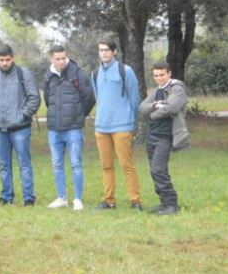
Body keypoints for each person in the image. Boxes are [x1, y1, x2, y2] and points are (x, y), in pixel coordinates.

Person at [0, 45, 40, 206]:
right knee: (3, 164)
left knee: (24, 163)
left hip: (20, 129)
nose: (4, 63)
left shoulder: (24, 73)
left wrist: (21, 115)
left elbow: (34, 98)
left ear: (13, 58)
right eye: (1, 60)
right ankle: (6, 196)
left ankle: (28, 197)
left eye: (7, 60)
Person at [42, 45, 95, 211]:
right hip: (54, 129)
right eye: (57, 59)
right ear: (52, 59)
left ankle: (77, 199)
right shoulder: (48, 76)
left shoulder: (78, 73)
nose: (61, 61)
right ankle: (61, 197)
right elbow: (48, 100)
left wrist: (79, 114)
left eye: (63, 58)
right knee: (57, 163)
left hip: (73, 127)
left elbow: (90, 98)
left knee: (75, 163)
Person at [92, 39, 142, 210]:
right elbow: (99, 98)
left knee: (127, 165)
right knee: (106, 166)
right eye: (101, 50)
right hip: (101, 127)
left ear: (114, 52)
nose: (104, 53)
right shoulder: (95, 73)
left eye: (107, 50)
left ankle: (135, 201)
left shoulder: (125, 71)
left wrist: (129, 119)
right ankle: (109, 201)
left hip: (122, 126)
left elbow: (134, 98)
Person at [137, 61, 189, 215]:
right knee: (155, 171)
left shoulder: (177, 89)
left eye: (162, 75)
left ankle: (172, 205)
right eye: (156, 76)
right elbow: (142, 107)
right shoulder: (155, 91)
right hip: (152, 135)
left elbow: (172, 107)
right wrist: (155, 105)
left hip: (165, 137)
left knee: (158, 170)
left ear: (169, 73)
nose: (159, 78)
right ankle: (164, 203)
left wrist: (153, 114)